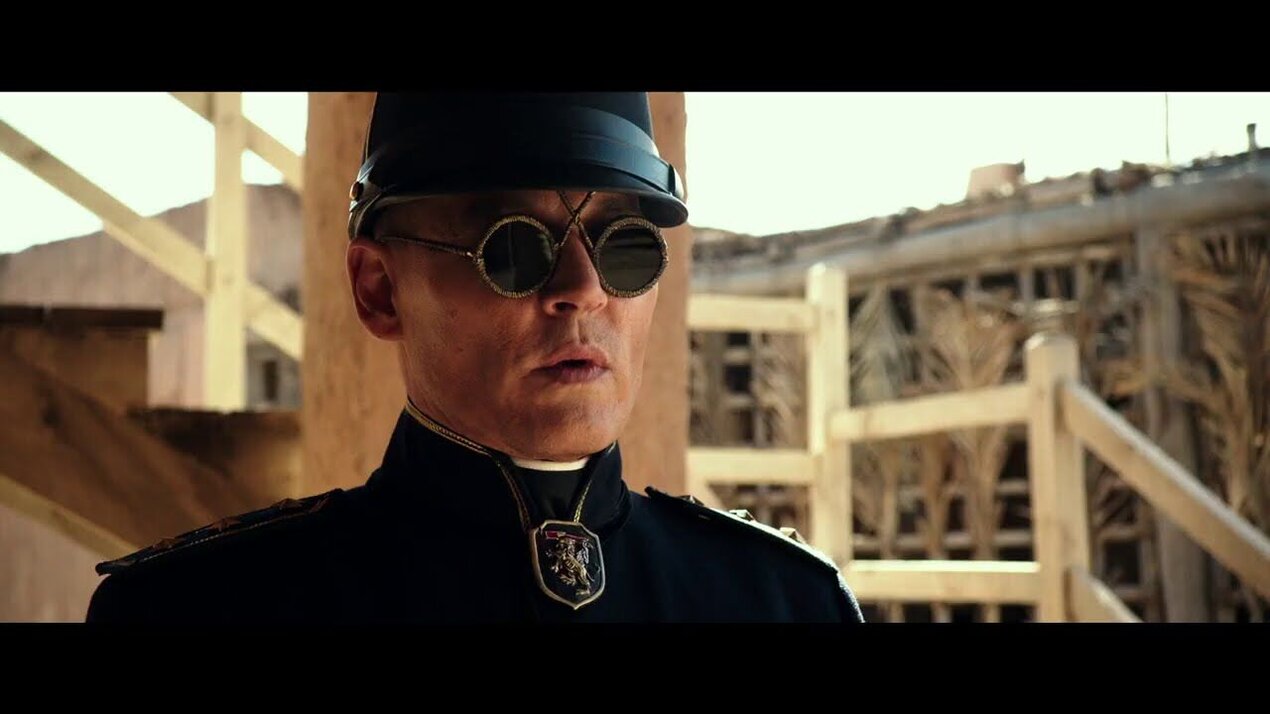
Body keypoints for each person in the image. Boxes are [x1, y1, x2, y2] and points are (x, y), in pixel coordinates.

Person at [85, 92, 864, 623]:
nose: (583, 290)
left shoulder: (783, 601)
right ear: (380, 291)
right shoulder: (201, 608)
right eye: (514, 249)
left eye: (626, 249)